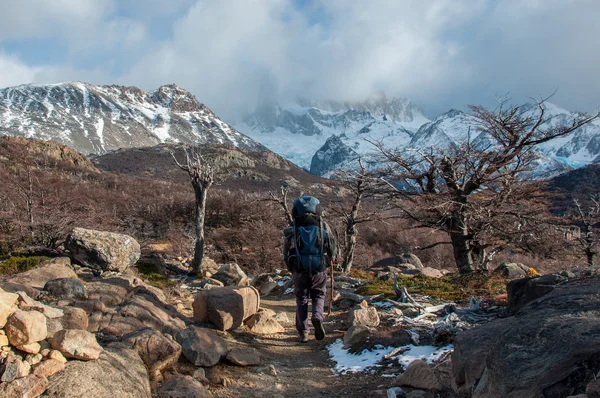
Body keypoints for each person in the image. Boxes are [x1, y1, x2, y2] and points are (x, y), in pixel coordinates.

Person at [283, 195, 337, 343]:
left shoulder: (293, 228)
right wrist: (331, 259)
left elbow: (286, 252)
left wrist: (290, 268)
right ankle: (317, 317)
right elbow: (332, 247)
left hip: (299, 269)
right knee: (319, 295)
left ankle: (303, 333)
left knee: (301, 299)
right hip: (318, 267)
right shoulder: (322, 227)